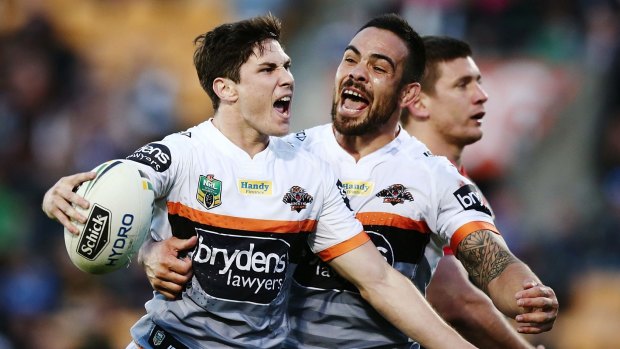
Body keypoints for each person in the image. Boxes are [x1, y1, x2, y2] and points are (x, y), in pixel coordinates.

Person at [41, 14, 477, 349]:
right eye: (268, 70)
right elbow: (121, 186)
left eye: (287, 66)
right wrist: (64, 199)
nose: (288, 77)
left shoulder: (309, 174)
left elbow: (379, 281)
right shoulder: (183, 154)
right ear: (226, 88)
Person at [136, 14, 559, 349]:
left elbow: (485, 259)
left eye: (379, 68)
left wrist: (526, 294)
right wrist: (149, 250)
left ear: (409, 95)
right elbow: (194, 216)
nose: (356, 73)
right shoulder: (287, 155)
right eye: (350, 58)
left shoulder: (434, 178)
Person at [401, 35, 545, 349]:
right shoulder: (406, 174)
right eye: (462, 85)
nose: (481, 96)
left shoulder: (450, 179)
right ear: (418, 102)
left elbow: (492, 260)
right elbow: (454, 300)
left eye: (478, 83)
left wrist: (526, 290)